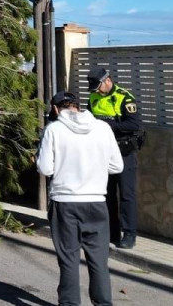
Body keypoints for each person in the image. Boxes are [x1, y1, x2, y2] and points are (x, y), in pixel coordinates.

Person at [37, 91, 124, 306]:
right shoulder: (103, 128)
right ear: (78, 106)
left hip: (65, 202)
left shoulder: (54, 130)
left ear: (56, 109)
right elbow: (117, 166)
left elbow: (45, 168)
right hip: (96, 201)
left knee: (69, 260)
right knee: (98, 261)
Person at [86, 67, 143, 249]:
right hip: (102, 152)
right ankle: (111, 232)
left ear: (107, 81)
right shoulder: (94, 97)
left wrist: (107, 125)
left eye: (98, 86)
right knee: (107, 193)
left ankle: (129, 234)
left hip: (123, 151)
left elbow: (134, 124)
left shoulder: (124, 97)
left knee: (126, 194)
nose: (96, 90)